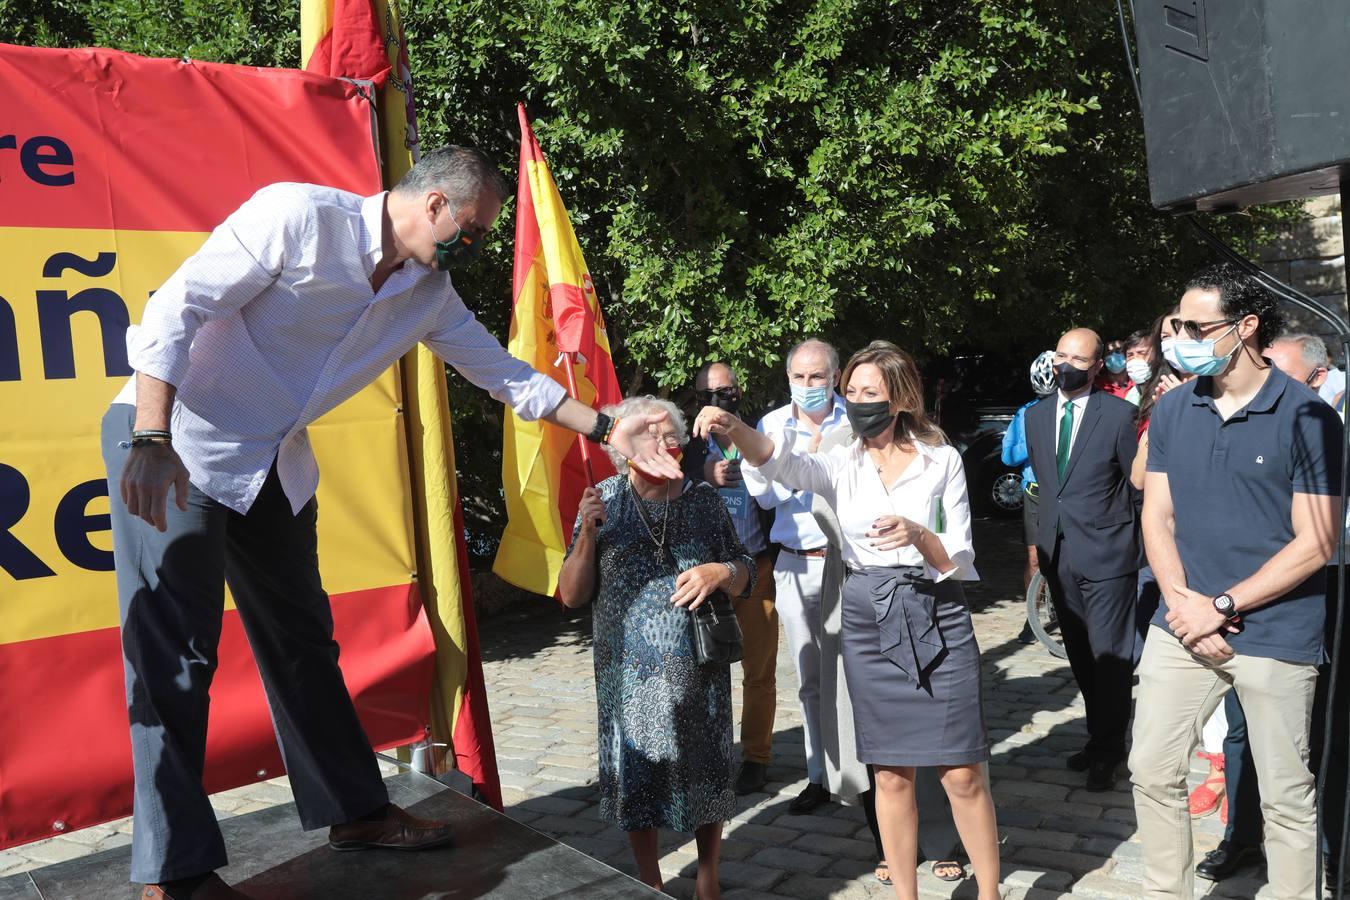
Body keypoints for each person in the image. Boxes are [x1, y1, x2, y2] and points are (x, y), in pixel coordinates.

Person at [103, 147, 683, 900]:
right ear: (437, 204)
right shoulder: (299, 218)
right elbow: (176, 306)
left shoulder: (426, 294)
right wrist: (150, 439)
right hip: (175, 442)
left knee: (303, 642)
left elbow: (506, 376)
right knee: (174, 656)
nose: (473, 246)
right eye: (473, 230)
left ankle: (356, 812)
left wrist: (609, 429)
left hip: (272, 464)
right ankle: (175, 873)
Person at [697, 340, 1001, 900]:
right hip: (866, 611)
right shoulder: (842, 460)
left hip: (937, 609)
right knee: (888, 773)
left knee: (960, 772)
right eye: (852, 391)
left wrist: (919, 534)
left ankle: (990, 892)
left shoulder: (943, 459)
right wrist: (734, 426)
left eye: (870, 392)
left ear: (900, 397)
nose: (857, 401)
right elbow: (781, 461)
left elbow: (958, 555)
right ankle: (905, 893)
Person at [1130, 263, 1342, 900]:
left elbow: (1318, 542)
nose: (1180, 339)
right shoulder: (1172, 411)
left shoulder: (1308, 418)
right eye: (1176, 327)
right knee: (1151, 769)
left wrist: (1223, 605)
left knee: (1285, 796)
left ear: (1246, 327)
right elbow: (1156, 515)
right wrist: (1183, 605)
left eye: (1197, 327)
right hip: (1183, 624)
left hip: (1276, 630)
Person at [558, 395, 751, 899]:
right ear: (626, 447)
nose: (666, 443)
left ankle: (708, 874)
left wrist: (721, 571)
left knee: (707, 769)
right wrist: (586, 535)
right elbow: (573, 595)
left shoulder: (704, 501)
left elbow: (744, 569)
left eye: (672, 435)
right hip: (627, 671)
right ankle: (650, 879)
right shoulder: (604, 499)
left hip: (698, 666)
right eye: (653, 435)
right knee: (635, 777)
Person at [1192, 329, 1350, 888]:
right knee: (1240, 722)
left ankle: (1333, 851)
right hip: (1261, 580)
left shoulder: (1330, 413)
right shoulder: (1256, 412)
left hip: (1331, 579)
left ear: (1315, 371)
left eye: (1278, 372)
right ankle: (1242, 836)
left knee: (1326, 727)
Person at [1024, 328, 1143, 792]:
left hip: (1109, 553)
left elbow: (1136, 486)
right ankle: (1098, 738)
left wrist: (1130, 542)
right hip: (1058, 553)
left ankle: (1110, 751)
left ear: (1097, 365)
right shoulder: (1035, 418)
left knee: (1109, 655)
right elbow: (1046, 488)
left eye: (1079, 358)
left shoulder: (1118, 415)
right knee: (1078, 652)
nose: (1067, 364)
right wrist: (1040, 544)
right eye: (1061, 355)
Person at [742, 338, 849, 814]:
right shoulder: (769, 426)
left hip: (846, 563)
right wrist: (775, 462)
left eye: (818, 377)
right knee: (809, 676)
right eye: (799, 378)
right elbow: (764, 499)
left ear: (835, 377)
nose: (808, 386)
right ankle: (818, 776)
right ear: (788, 379)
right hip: (793, 560)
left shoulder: (855, 420)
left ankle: (859, 773)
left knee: (851, 674)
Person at [685, 362, 780, 796]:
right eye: (711, 392)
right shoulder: (687, 447)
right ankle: (704, 754)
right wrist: (702, 477)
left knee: (758, 673)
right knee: (701, 671)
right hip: (705, 578)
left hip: (757, 570)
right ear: (698, 398)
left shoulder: (758, 437)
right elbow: (658, 488)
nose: (721, 398)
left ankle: (756, 758)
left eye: (729, 390)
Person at [1001, 350, 1057, 644]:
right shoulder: (1025, 413)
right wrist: (1031, 444)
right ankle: (1032, 616)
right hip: (1035, 492)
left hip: (1066, 493)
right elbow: (1008, 456)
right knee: (1035, 559)